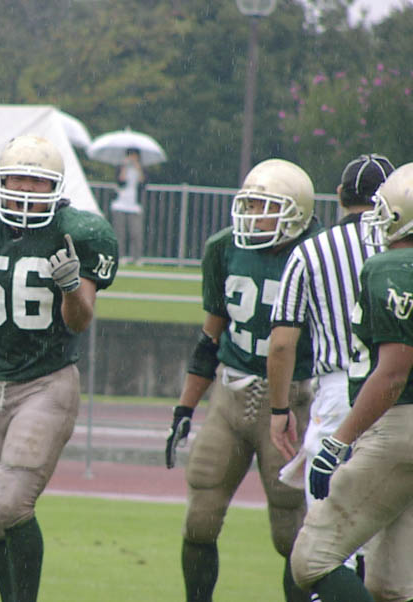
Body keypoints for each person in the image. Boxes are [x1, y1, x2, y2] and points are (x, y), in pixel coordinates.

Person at [0, 134, 118, 602]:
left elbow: (80, 321)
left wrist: (70, 287)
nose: (27, 189)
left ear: (55, 187)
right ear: (1, 181)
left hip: (46, 384)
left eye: (38, 181)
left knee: (12, 505)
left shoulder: (77, 234)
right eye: (18, 179)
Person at [164, 158, 319, 602]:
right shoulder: (224, 247)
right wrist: (185, 407)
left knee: (291, 533)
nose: (252, 216)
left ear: (296, 214)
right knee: (200, 519)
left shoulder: (315, 255)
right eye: (249, 205)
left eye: (265, 207)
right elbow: (210, 337)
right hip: (230, 397)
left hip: (293, 400)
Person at [268, 154, 394, 581]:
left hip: (339, 392)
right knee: (389, 542)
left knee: (326, 545)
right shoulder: (400, 249)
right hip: (400, 393)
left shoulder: (311, 250)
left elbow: (282, 341)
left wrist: (279, 409)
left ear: (339, 195)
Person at [291, 162, 413, 602]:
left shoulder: (392, 267)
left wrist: (339, 440)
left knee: (312, 560)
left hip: (396, 428)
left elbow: (393, 372)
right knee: (390, 585)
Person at [110, 147, 146, 263]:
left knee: (136, 233)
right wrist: (124, 167)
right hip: (120, 204)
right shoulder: (120, 167)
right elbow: (120, 182)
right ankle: (120, 256)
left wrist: (138, 167)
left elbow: (143, 183)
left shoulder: (140, 169)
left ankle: (137, 257)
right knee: (119, 233)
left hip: (134, 206)